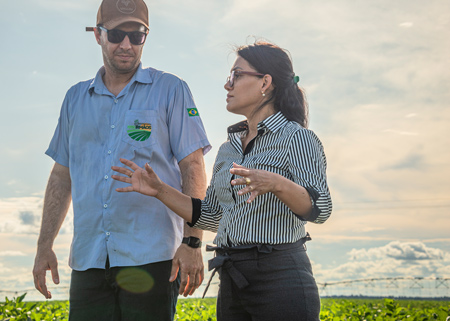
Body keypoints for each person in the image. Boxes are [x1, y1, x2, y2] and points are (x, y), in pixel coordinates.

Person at [112, 41, 332, 321]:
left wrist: (277, 183)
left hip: (281, 279)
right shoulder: (228, 150)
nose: (228, 85)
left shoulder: (297, 138)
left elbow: (321, 208)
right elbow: (212, 217)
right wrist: (159, 191)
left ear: (266, 82)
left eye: (236, 76)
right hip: (233, 280)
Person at [32, 0, 211, 320]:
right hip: (89, 262)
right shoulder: (75, 98)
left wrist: (193, 241)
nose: (126, 44)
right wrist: (44, 245)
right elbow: (62, 176)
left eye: (137, 35)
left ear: (146, 37)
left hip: (152, 260)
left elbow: (193, 167)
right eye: (116, 34)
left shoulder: (170, 89)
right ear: (98, 36)